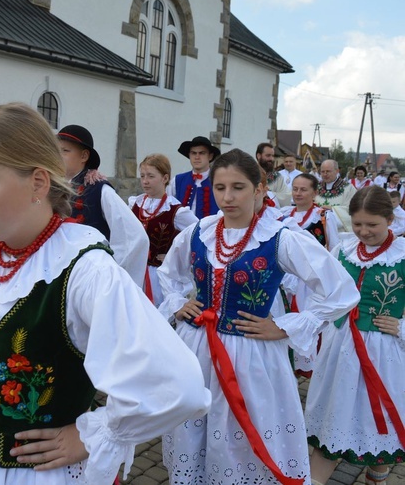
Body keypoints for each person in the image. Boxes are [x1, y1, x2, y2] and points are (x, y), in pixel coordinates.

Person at [0, 102, 211, 485]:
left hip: (38, 474)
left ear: (38, 182)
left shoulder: (84, 269)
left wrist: (98, 432)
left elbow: (179, 386)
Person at [157, 149, 359, 485]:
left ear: (259, 190)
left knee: (240, 433)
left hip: (249, 356)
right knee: (193, 428)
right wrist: (179, 301)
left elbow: (341, 291)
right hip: (196, 350)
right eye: (220, 188)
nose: (228, 196)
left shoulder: (279, 238)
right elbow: (169, 273)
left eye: (238, 187)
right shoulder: (199, 231)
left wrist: (285, 325)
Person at [305, 186, 405, 485]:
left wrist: (401, 326)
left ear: (390, 219)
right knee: (335, 421)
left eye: (372, 224)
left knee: (377, 426)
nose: (363, 231)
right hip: (341, 348)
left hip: (384, 353)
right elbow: (323, 291)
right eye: (358, 223)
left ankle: (378, 476)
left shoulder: (402, 256)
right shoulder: (344, 249)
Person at [57, 124, 148, 286]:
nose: (58, 156)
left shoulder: (100, 189)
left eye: (65, 151)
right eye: (57, 151)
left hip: (90, 278)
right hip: (64, 276)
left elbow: (135, 236)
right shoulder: (57, 189)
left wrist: (111, 272)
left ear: (84, 156)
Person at [128, 154, 198, 304]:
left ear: (165, 178)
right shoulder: (134, 204)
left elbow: (200, 234)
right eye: (142, 176)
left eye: (151, 176)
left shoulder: (176, 211)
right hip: (135, 272)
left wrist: (175, 256)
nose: (145, 181)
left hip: (158, 277)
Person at [281, 173, 341, 250]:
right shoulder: (284, 213)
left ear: (315, 193)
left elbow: (334, 247)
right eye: (295, 189)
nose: (298, 193)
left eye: (303, 190)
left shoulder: (324, 216)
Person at [168, 135, 221, 219]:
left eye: (202, 153)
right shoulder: (177, 180)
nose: (197, 157)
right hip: (182, 231)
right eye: (193, 153)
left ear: (210, 156)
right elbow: (168, 207)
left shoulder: (219, 181)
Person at [316, 159, 357, 232]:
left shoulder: (348, 188)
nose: (325, 174)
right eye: (322, 172)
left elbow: (354, 209)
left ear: (337, 171)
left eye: (328, 171)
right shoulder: (315, 187)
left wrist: (333, 209)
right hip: (317, 229)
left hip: (339, 232)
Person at [255, 142, 291, 207]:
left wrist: (268, 194)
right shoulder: (249, 173)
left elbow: (286, 196)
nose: (271, 159)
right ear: (259, 156)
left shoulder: (276, 176)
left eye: (272, 156)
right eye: (268, 155)